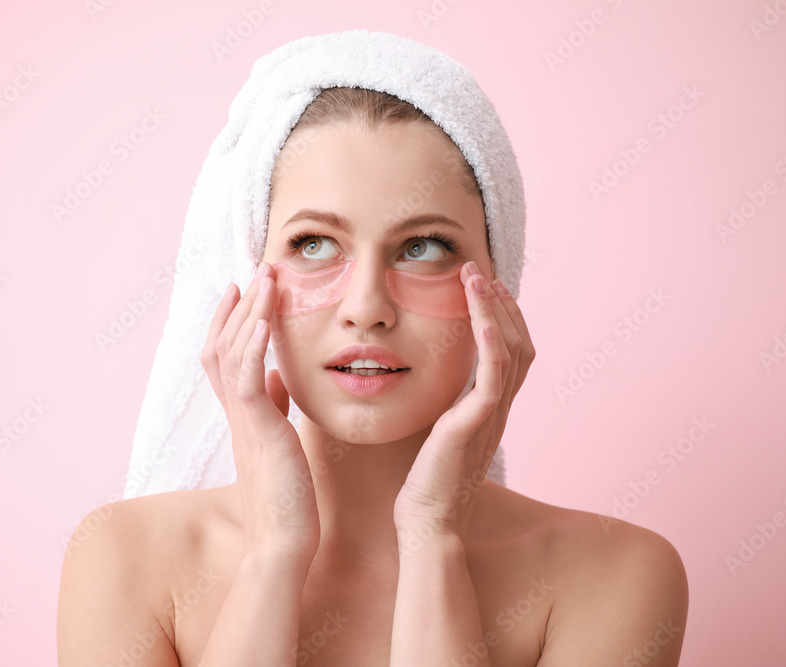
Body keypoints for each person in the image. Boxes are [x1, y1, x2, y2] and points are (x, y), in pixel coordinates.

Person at [57, 37, 688, 667]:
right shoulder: (123, 559)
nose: (366, 306)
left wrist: (432, 537)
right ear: (252, 279)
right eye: (313, 244)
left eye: (422, 247)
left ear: (499, 285)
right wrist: (273, 555)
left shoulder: (614, 575)